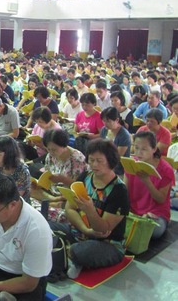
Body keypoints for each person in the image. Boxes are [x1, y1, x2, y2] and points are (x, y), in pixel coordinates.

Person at [50, 139, 130, 279]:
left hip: (108, 244)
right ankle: (67, 258)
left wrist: (90, 210)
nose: (94, 164)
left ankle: (68, 256)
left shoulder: (119, 190)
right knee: (46, 227)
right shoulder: (86, 177)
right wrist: (85, 230)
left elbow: (102, 229)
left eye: (99, 161)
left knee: (79, 251)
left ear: (111, 161)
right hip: (81, 232)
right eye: (91, 160)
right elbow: (70, 209)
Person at [124, 131, 174, 240]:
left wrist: (147, 181)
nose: (139, 152)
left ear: (154, 149)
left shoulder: (165, 169)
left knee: (154, 231)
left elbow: (161, 199)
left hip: (156, 214)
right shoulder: (131, 164)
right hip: (133, 212)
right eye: (136, 148)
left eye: (144, 149)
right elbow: (125, 192)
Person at [100, 107, 131, 175]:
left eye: (108, 121)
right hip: (105, 163)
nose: (105, 123)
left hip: (118, 168)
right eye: (103, 121)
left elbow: (117, 156)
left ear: (117, 120)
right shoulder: (104, 130)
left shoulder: (124, 135)